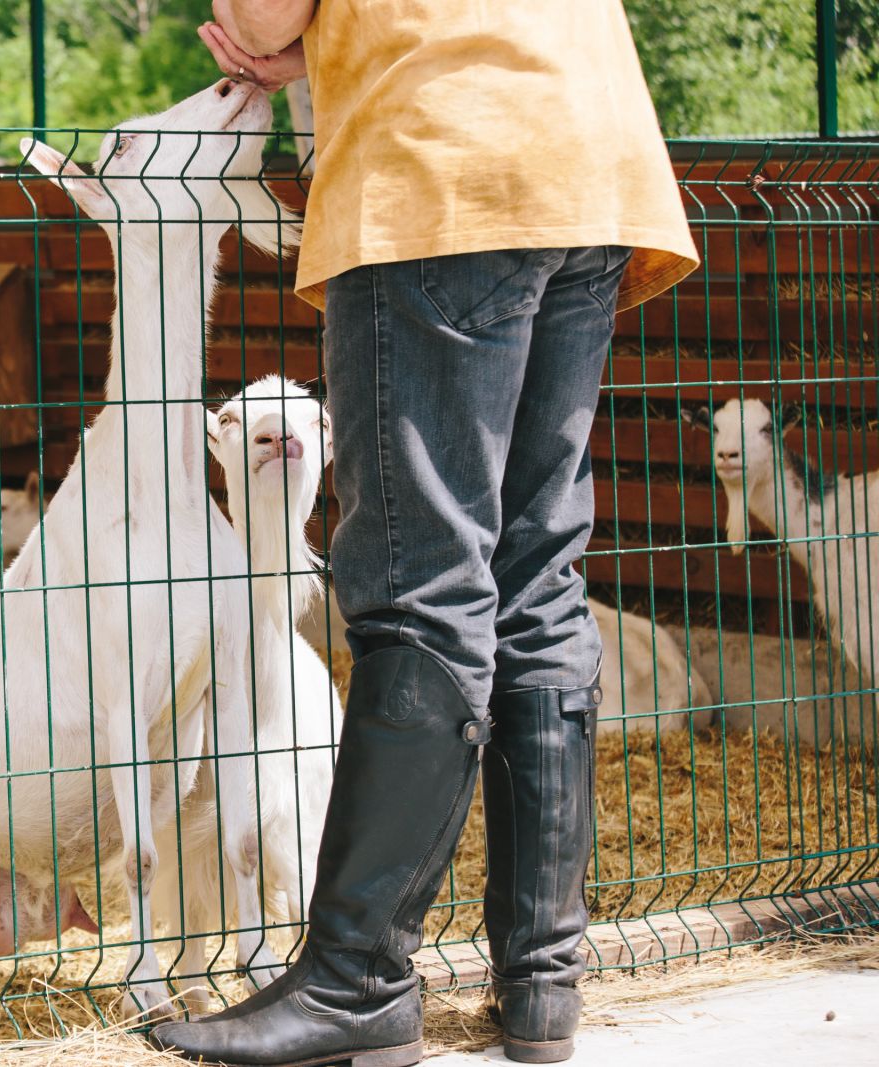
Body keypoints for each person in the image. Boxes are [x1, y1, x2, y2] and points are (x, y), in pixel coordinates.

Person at [151, 2, 698, 1065]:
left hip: (444, 157)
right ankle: (544, 981)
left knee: (420, 584)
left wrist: (269, 35)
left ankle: (356, 979)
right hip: (591, 157)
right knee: (535, 575)